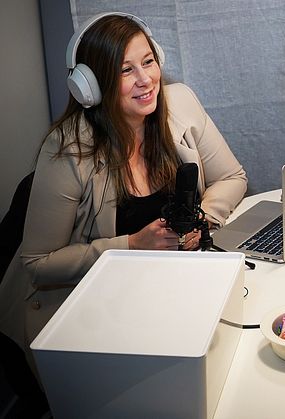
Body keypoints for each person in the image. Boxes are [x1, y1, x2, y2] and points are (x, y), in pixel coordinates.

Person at [0, 12, 247, 397]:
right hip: (94, 309)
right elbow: (38, 263)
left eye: (148, 62)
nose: (146, 79)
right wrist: (130, 246)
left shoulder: (178, 102)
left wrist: (203, 224)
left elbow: (231, 178)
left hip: (170, 293)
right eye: (125, 70)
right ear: (91, 86)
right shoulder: (68, 149)